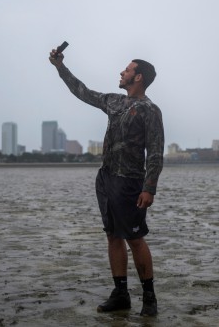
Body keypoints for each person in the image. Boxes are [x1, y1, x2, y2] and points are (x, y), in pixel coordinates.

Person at [49, 49, 164, 316]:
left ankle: (149, 298)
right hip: (107, 177)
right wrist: (60, 67)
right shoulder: (114, 101)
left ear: (138, 77)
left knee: (135, 238)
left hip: (131, 182)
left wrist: (150, 187)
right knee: (113, 235)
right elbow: (82, 91)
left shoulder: (150, 110)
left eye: (126, 70)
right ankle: (121, 293)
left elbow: (156, 152)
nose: (121, 73)